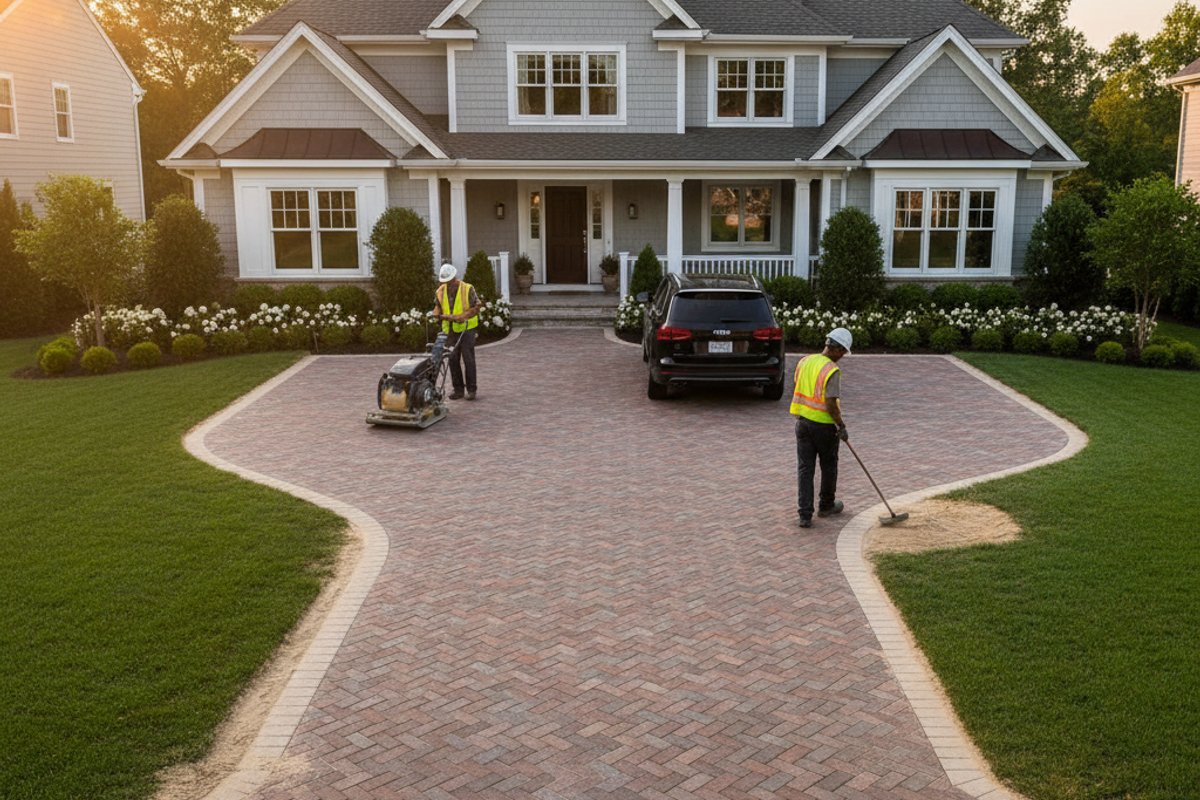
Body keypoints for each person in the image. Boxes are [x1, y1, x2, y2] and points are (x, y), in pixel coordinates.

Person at [789, 327, 852, 528]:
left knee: (805, 468)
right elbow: (831, 402)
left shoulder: (804, 361)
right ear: (837, 348)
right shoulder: (831, 369)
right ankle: (826, 505)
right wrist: (841, 425)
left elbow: (798, 385)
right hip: (824, 426)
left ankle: (805, 515)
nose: (842, 356)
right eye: (842, 352)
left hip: (802, 423)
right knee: (829, 466)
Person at [432, 263, 482, 400]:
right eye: (445, 282)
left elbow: (477, 306)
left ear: (454, 278)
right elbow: (438, 306)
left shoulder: (467, 289)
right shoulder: (440, 291)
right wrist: (436, 313)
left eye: (450, 281)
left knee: (468, 358)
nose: (448, 284)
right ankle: (458, 390)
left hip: (467, 328)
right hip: (450, 329)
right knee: (453, 359)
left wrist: (463, 316)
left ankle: (471, 390)